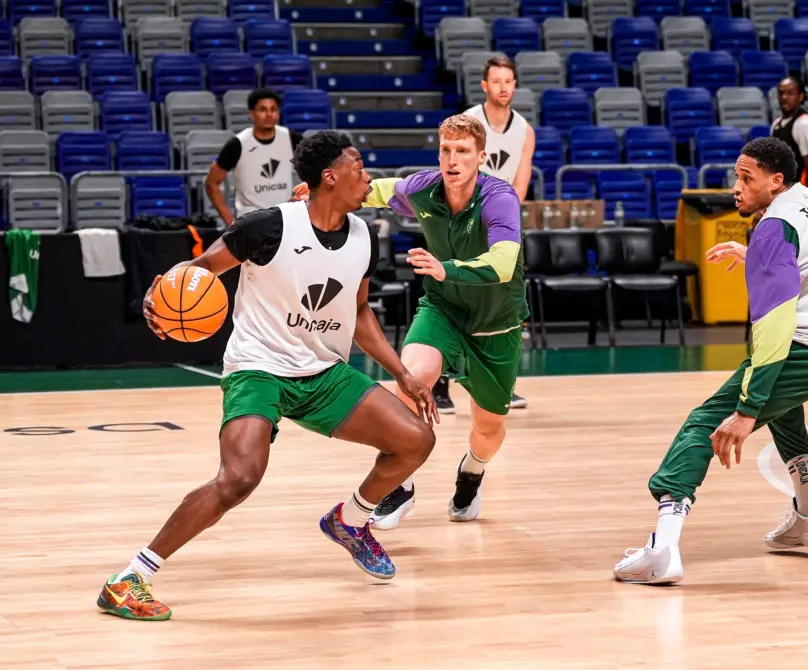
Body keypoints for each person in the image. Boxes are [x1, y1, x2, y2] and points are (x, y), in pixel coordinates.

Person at [96, 131, 438, 621]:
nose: (368, 177)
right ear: (330, 177)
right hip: (259, 368)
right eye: (359, 167)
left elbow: (360, 313)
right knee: (238, 478)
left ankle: (350, 520)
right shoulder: (267, 226)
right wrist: (161, 293)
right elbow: (200, 269)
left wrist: (403, 374)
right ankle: (130, 578)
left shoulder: (364, 237)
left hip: (323, 373)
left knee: (415, 441)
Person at [612, 137, 808, 585]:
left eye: (747, 178)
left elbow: (773, 329)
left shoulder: (773, 227)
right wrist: (757, 258)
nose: (736, 187)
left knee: (705, 419)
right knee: (784, 408)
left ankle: (662, 548)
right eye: (736, 176)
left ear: (776, 181)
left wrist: (745, 411)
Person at [297, 114, 528, 529]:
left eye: (462, 151)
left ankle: (471, 472)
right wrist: (321, 189)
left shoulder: (499, 197)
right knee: (411, 378)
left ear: (482, 156)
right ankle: (398, 486)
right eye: (445, 149)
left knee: (488, 430)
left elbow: (505, 262)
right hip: (442, 310)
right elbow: (378, 190)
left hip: (496, 325)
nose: (452, 159)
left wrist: (448, 268)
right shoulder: (425, 188)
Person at [428, 55, 535, 415]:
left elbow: (521, 182)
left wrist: (501, 212)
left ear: (514, 86)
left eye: (509, 81)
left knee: (508, 297)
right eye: (497, 81)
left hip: (501, 222)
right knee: (455, 295)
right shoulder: (469, 123)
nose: (504, 87)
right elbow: (449, 169)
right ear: (485, 86)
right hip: (463, 217)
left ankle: (503, 381)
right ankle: (441, 386)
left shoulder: (525, 129)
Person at [204, 88, 305, 227]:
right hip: (251, 223)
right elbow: (211, 183)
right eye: (262, 109)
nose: (269, 115)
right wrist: (230, 222)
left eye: (273, 109)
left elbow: (318, 168)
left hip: (285, 220)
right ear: (252, 114)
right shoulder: (238, 144)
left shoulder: (291, 138)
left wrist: (304, 196)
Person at [771, 76, 808, 188]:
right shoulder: (776, 125)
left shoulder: (805, 123)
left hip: (799, 194)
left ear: (800, 96)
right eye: (781, 93)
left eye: (790, 93)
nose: (784, 97)